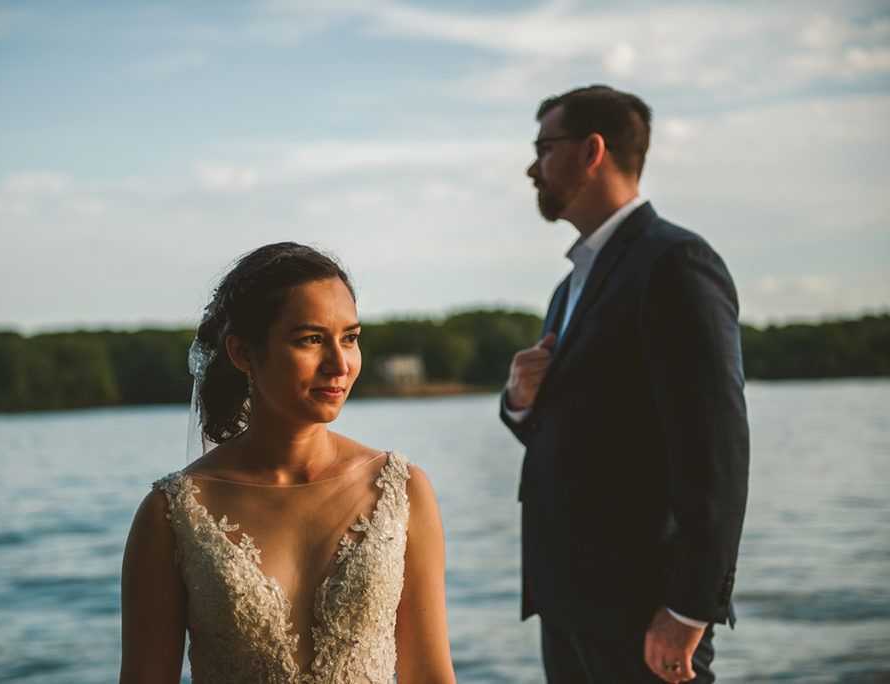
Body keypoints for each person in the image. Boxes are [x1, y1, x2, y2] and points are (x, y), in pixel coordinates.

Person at [500, 85, 749, 683]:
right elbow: (582, 430)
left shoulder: (675, 261)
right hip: (569, 608)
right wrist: (518, 402)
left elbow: (716, 450)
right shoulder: (569, 286)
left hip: (643, 613)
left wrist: (690, 608)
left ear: (592, 151)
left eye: (545, 148)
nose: (533, 168)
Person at [120, 242, 456, 683]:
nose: (339, 364)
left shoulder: (401, 489)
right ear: (243, 353)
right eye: (310, 340)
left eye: (350, 338)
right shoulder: (172, 515)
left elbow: (431, 675)